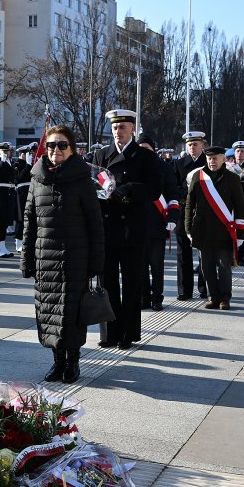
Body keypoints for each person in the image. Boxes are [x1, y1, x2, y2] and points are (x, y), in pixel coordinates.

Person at [22, 125, 104, 384]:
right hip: (45, 257)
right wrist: (26, 259)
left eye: (61, 145)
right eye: (51, 145)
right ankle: (57, 362)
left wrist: (96, 262)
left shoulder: (82, 179)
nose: (55, 150)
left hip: (74, 258)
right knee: (47, 312)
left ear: (72, 149)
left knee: (71, 314)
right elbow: (29, 220)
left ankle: (73, 362)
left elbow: (95, 223)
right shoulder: (36, 177)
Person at [92, 109, 161, 349]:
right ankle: (110, 332)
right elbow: (94, 184)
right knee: (107, 282)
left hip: (132, 228)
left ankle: (128, 333)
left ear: (133, 129)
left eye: (122, 127)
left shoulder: (145, 157)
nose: (117, 132)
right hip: (108, 228)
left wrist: (129, 189)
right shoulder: (101, 155)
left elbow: (154, 190)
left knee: (132, 284)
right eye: (114, 128)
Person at [184, 146, 244, 311]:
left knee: (224, 266)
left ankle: (225, 298)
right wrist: (188, 228)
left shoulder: (232, 179)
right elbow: (190, 204)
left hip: (224, 230)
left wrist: (240, 233)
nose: (212, 161)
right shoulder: (198, 176)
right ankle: (213, 297)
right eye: (209, 158)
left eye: (215, 158)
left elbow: (240, 207)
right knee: (206, 267)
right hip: (202, 230)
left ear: (223, 159)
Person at [138, 133, 178, 311]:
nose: (143, 152)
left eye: (146, 148)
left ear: (153, 149)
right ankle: (143, 298)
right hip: (137, 224)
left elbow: (173, 195)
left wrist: (172, 217)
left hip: (157, 224)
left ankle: (157, 299)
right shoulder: (134, 167)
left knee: (156, 266)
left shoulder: (164, 167)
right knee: (140, 267)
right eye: (140, 149)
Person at [173, 131, 208, 300]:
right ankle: (184, 290)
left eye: (195, 144)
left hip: (203, 213)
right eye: (189, 145)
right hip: (184, 213)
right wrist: (188, 194)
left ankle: (204, 288)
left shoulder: (208, 163)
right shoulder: (179, 164)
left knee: (204, 253)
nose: (192, 148)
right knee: (183, 254)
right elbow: (173, 186)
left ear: (202, 145)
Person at [0, 142, 16, 258]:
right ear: (0, 152)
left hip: (9, 193)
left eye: (8, 151)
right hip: (0, 194)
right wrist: (2, 161)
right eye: (5, 151)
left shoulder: (11, 163)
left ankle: (2, 246)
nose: (7, 153)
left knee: (5, 221)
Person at [13, 144, 33, 252]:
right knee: (20, 218)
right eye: (27, 154)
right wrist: (28, 165)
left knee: (28, 218)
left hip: (29, 191)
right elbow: (19, 178)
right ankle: (18, 242)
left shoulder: (27, 164)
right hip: (21, 193)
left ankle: (26, 241)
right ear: (21, 154)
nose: (29, 156)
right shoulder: (17, 164)